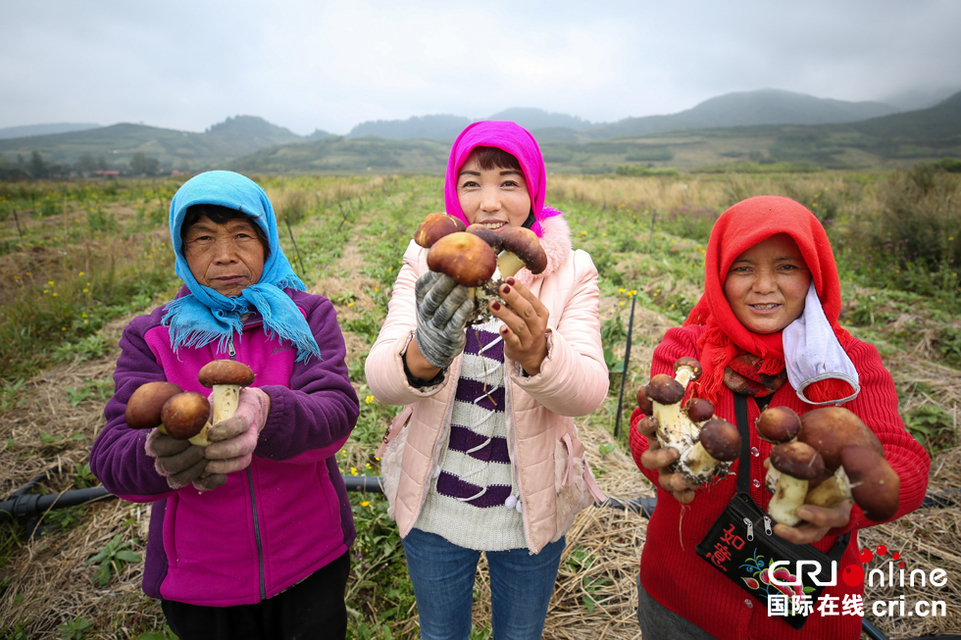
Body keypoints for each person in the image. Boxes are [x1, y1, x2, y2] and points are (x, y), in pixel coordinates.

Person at [628, 195, 931, 640]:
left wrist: (845, 506)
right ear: (718, 274)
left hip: (809, 618)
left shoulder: (848, 366)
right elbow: (649, 431)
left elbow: (905, 461)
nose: (764, 286)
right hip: (682, 596)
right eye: (743, 267)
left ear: (814, 274)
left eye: (787, 267)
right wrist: (654, 451)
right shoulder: (685, 348)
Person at [89, 170, 360, 640]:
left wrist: (268, 412)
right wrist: (158, 453)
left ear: (268, 240)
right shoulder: (151, 337)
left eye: (241, 235)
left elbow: (336, 410)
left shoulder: (306, 316)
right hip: (201, 580)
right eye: (203, 239)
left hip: (309, 557)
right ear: (181, 249)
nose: (225, 255)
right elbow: (113, 453)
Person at [365, 120, 609, 640]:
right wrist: (426, 350)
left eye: (509, 183)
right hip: (434, 500)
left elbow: (590, 389)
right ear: (454, 190)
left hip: (529, 507)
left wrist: (541, 353)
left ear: (534, 190)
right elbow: (381, 381)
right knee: (440, 633)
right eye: (472, 182)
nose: (490, 203)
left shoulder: (572, 271)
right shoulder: (425, 261)